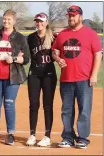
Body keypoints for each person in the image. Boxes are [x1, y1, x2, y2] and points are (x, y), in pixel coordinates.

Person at [52, 5, 102, 149]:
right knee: (66, 110)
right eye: (69, 15)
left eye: (73, 15)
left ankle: (82, 138)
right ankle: (67, 137)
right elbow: (55, 51)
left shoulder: (91, 34)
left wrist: (94, 75)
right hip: (66, 79)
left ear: (80, 16)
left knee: (84, 110)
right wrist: (57, 58)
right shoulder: (62, 34)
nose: (71, 18)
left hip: (84, 79)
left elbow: (98, 55)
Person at [0, 9, 30, 145]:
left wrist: (13, 58)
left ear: (14, 21)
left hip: (12, 78)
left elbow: (26, 59)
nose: (6, 21)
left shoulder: (20, 37)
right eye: (4, 19)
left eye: (9, 19)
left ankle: (10, 134)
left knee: (9, 104)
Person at [26, 12, 57, 147]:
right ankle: (32, 134)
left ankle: (47, 136)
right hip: (34, 74)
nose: (39, 23)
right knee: (33, 104)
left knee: (48, 105)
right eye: (37, 21)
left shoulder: (53, 37)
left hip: (49, 74)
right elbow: (26, 54)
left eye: (41, 21)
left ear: (46, 22)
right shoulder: (30, 38)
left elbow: (59, 53)